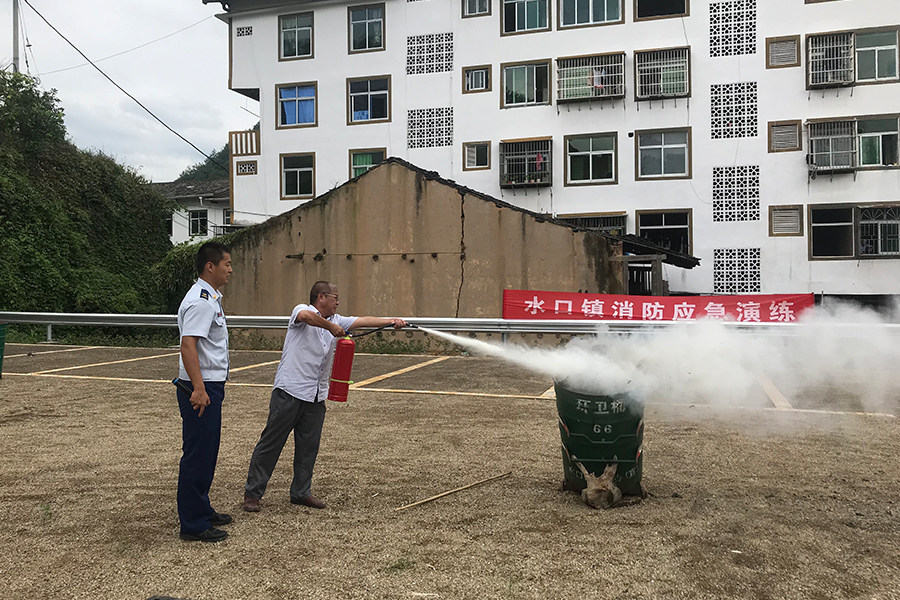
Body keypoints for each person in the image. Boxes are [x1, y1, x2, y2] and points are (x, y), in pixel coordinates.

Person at [242, 281, 407, 512]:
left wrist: (391, 321)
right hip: (290, 391)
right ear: (321, 297)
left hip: (316, 395)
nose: (338, 302)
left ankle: (301, 492)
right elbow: (306, 317)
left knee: (308, 447)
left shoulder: (337, 320)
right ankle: (253, 493)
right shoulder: (302, 311)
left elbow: (362, 321)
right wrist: (330, 327)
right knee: (271, 443)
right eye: (335, 297)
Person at [175, 241, 234, 543]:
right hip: (202, 386)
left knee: (207, 452)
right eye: (227, 264)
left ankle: (201, 508)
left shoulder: (210, 298)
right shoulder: (201, 301)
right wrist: (198, 387)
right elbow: (188, 345)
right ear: (210, 266)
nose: (230, 270)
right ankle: (194, 524)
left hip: (209, 384)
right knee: (198, 454)